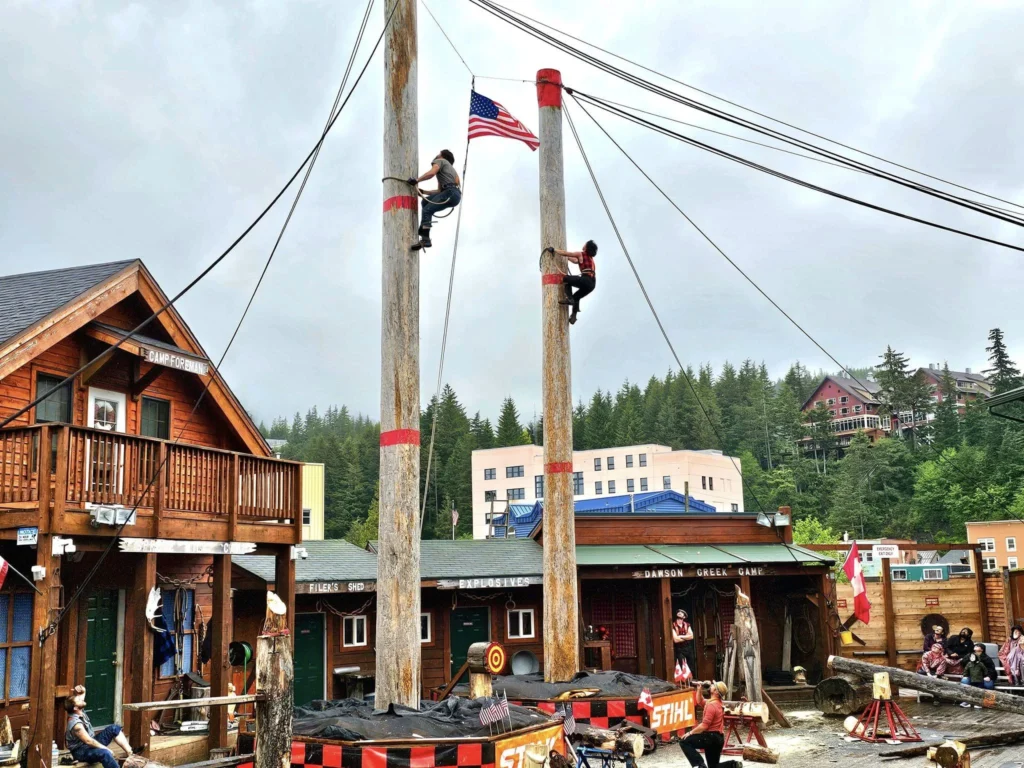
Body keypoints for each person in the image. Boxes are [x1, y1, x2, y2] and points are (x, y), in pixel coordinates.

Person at [65, 685, 136, 768]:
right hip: (81, 752)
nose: (81, 699)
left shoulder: (79, 710)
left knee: (114, 728)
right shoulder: (76, 725)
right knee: (105, 753)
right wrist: (107, 749)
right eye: (79, 700)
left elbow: (81, 697)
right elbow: (89, 741)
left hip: (89, 745)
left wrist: (83, 690)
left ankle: (131, 754)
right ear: (75, 707)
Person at [408, 150, 461, 250]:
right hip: (454, 195)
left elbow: (432, 173)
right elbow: (439, 191)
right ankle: (424, 227)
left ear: (442, 156)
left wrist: (416, 180)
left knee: (427, 210)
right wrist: (423, 192)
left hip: (450, 192)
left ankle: (425, 239)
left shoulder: (440, 161)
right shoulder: (451, 170)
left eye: (439, 153)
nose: (437, 155)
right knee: (425, 201)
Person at [544, 241, 597, 325]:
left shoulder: (581, 254)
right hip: (592, 284)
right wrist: (566, 257)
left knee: (566, 279)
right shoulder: (590, 259)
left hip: (586, 279)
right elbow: (574, 260)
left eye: (585, 243)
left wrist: (554, 250)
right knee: (576, 297)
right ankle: (573, 316)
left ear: (587, 246)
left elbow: (566, 253)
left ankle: (569, 299)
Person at [679, 680, 726, 768]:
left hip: (711, 737)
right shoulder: (715, 702)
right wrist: (699, 689)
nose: (711, 685)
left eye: (713, 686)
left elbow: (704, 726)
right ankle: (733, 764)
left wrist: (690, 733)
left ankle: (699, 765)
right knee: (713, 766)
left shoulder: (712, 705)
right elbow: (700, 701)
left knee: (684, 742)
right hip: (718, 738)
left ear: (715, 692)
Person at [959, 643, 997, 708]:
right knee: (964, 681)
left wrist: (988, 676)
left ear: (982, 650)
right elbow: (963, 664)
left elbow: (991, 669)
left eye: (978, 651)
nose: (976, 652)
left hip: (985, 676)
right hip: (972, 676)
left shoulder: (987, 658)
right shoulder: (970, 656)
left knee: (988, 685)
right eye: (975, 650)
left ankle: (988, 702)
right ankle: (966, 700)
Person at [672, 609, 695, 678]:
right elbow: (676, 639)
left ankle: (690, 680)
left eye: (681, 613)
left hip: (688, 648)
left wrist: (681, 636)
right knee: (682, 665)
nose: (679, 613)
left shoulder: (687, 625)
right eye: (678, 612)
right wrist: (686, 637)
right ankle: (683, 682)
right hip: (679, 649)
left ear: (684, 617)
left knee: (691, 664)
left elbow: (691, 636)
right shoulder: (673, 625)